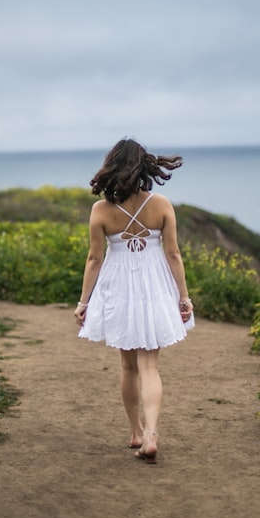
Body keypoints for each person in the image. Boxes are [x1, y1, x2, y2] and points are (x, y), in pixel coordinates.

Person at [74, 138, 195, 464]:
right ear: (144, 167)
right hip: (154, 287)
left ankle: (136, 432)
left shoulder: (101, 210)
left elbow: (94, 259)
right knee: (149, 365)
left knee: (128, 366)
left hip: (119, 290)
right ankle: (152, 434)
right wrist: (184, 297)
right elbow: (172, 253)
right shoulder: (162, 204)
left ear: (111, 166)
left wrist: (84, 302)